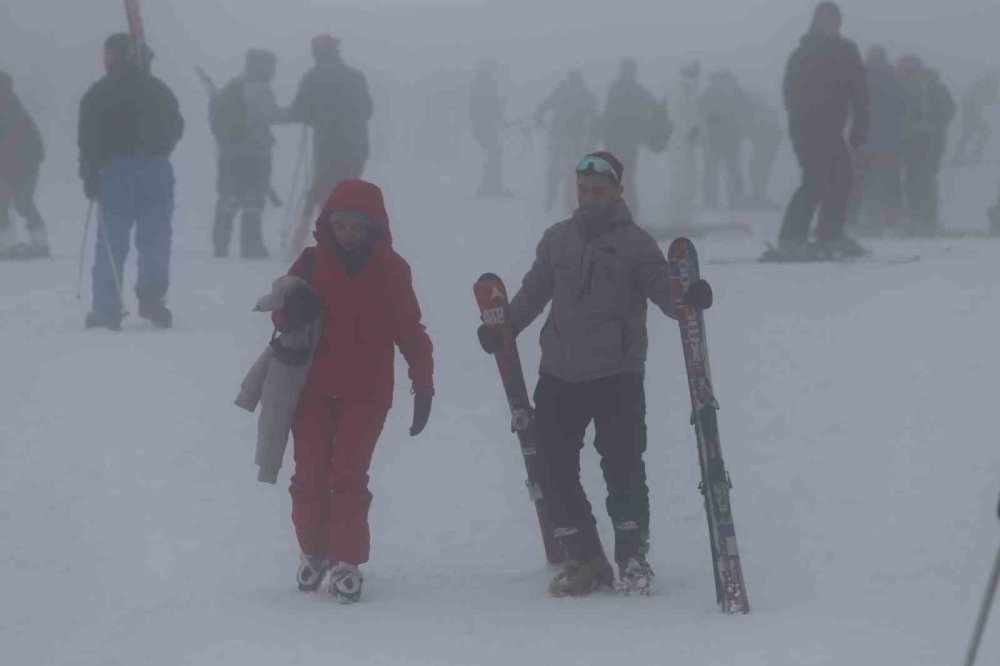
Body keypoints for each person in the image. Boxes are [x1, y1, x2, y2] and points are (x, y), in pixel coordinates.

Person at [476, 152, 713, 597]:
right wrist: (504, 328)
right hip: (559, 372)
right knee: (552, 466)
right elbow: (533, 293)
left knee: (623, 465)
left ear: (618, 193)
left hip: (616, 374)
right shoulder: (557, 239)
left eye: (599, 192)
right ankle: (585, 557)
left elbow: (663, 290)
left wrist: (687, 299)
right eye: (584, 190)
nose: (589, 199)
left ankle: (632, 556)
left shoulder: (637, 244)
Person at [271, 178, 434, 603]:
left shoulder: (392, 270)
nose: (348, 234)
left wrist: (423, 382)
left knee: (347, 475)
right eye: (341, 225)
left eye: (358, 226)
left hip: (367, 393)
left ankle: (346, 559)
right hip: (312, 390)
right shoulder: (309, 264)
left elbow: (410, 330)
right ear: (328, 224)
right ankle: (314, 551)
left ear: (375, 227)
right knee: (309, 473)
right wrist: (290, 311)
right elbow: (280, 311)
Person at [78, 33, 184, 330]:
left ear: (116, 55)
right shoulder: (157, 88)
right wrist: (160, 149)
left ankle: (106, 307)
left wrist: (89, 175)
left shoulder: (100, 92)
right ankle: (152, 299)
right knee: (155, 237)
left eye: (107, 53)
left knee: (111, 240)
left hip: (115, 172)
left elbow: (88, 139)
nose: (104, 59)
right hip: (157, 169)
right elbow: (177, 125)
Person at [767, 2, 868, 261]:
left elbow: (859, 90)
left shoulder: (847, 51)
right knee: (815, 179)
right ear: (815, 22)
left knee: (842, 180)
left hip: (833, 129)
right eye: (824, 20)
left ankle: (830, 235)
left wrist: (860, 123)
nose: (829, 26)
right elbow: (790, 92)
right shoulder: (803, 53)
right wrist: (801, 121)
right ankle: (791, 238)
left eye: (833, 21)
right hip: (807, 129)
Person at [285, 34, 373, 256]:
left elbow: (298, 111)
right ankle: (347, 243)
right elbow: (367, 110)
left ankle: (308, 240)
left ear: (316, 53)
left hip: (327, 148)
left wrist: (311, 117)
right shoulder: (355, 77)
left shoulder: (313, 77)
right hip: (356, 148)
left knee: (320, 193)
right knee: (348, 195)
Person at [210, 49, 282, 259]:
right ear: (262, 67)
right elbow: (271, 115)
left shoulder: (233, 85)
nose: (274, 71)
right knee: (253, 199)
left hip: (229, 152)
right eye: (271, 66)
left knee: (228, 197)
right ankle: (252, 245)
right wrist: (297, 113)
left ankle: (220, 244)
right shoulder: (259, 87)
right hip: (255, 152)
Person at [848, 46, 905, 234]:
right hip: (890, 140)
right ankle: (891, 220)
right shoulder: (894, 79)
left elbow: (850, 106)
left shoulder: (859, 78)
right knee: (890, 182)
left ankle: (853, 219)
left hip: (863, 140)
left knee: (858, 182)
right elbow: (902, 107)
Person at [898, 56, 955, 235]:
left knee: (913, 177)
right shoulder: (934, 86)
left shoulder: (904, 87)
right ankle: (927, 219)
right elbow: (950, 110)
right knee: (926, 177)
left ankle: (915, 217)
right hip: (933, 139)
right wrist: (936, 125)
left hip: (912, 139)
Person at [600, 59, 661, 218]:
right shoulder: (638, 90)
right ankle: (629, 209)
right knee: (627, 175)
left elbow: (608, 113)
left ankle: (617, 209)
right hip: (629, 140)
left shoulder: (616, 88)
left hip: (614, 139)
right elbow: (656, 108)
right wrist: (648, 131)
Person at [0, 71, 49, 259]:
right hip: (24, 158)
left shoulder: (6, 104)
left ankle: (6, 245)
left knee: (11, 200)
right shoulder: (10, 102)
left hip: (21, 159)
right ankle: (39, 243)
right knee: (21, 201)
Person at [535, 70, 598, 213]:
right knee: (570, 170)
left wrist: (538, 117)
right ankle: (567, 201)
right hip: (574, 137)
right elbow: (593, 114)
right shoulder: (584, 94)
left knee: (555, 168)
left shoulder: (563, 90)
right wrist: (592, 133)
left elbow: (545, 105)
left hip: (558, 135)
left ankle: (551, 200)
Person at [700, 70, 748, 210]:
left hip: (713, 139)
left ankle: (710, 201)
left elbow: (701, 112)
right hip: (730, 138)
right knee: (732, 169)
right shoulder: (736, 93)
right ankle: (735, 200)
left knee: (711, 171)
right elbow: (744, 112)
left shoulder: (709, 93)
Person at [661, 61, 702, 229]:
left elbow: (694, 117)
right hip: (679, 142)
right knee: (680, 180)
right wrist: (688, 130)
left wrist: (695, 132)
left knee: (688, 181)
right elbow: (673, 115)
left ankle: (683, 219)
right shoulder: (679, 90)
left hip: (687, 143)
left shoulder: (690, 92)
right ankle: (675, 220)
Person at [470, 58, 512, 198]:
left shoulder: (481, 81)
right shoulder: (485, 82)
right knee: (494, 154)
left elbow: (488, 104)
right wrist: (500, 113)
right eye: (492, 66)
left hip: (483, 124)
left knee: (493, 154)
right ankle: (491, 187)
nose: (494, 69)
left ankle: (490, 186)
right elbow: (489, 104)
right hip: (484, 125)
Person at [743, 91, 783, 211]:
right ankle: (759, 195)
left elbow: (754, 129)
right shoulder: (763, 110)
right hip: (766, 145)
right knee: (758, 170)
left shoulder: (758, 111)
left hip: (766, 145)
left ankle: (759, 196)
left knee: (758, 170)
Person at [951, 73, 999, 167]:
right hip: (971, 113)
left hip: (971, 113)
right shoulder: (982, 87)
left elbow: (992, 98)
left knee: (968, 136)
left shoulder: (981, 86)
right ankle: (969, 156)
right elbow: (992, 97)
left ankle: (960, 157)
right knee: (978, 134)